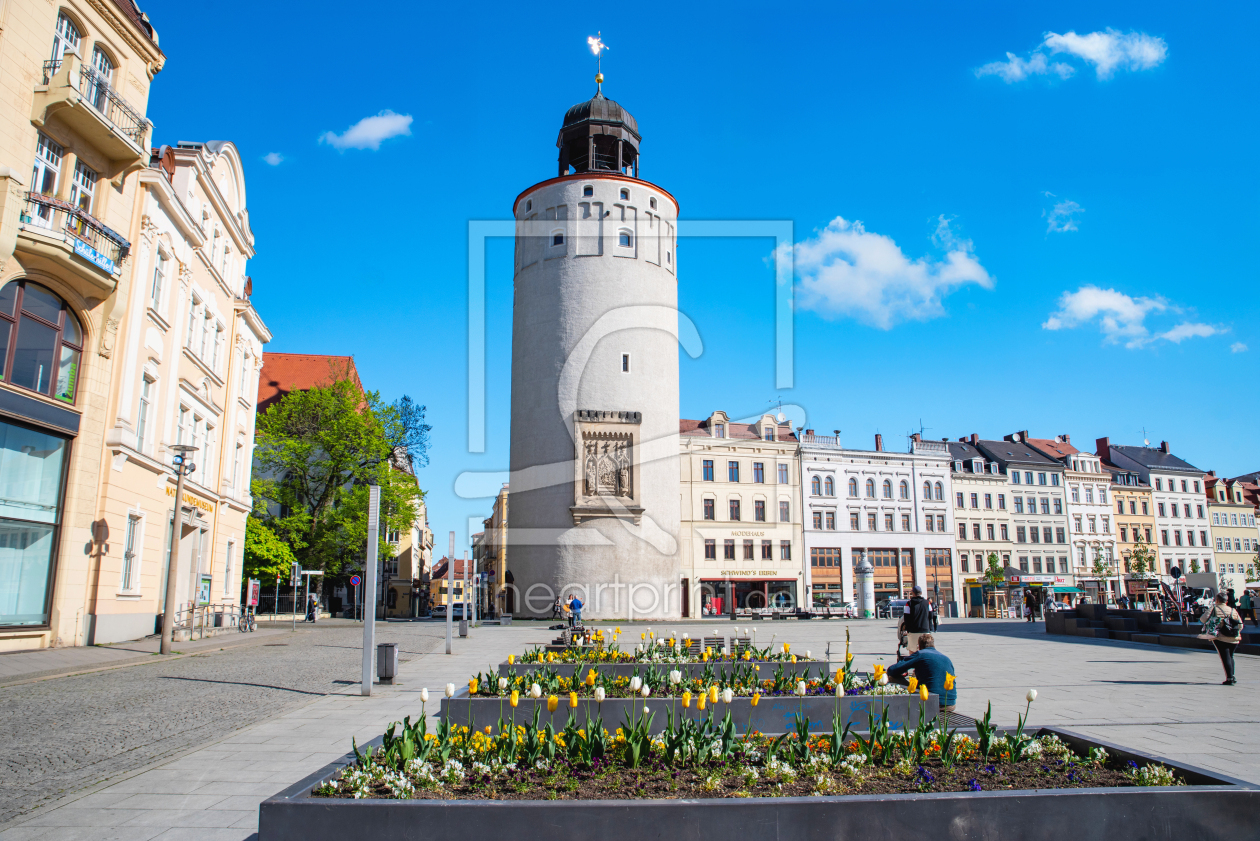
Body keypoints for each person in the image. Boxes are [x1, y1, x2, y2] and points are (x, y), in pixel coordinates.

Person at [887, 633, 957, 712]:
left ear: (919, 646)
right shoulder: (946, 658)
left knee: (892, 677)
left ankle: (902, 708)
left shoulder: (920, 654)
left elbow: (891, 670)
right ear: (933, 645)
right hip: (950, 704)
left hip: (929, 701)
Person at [1202, 592, 1242, 685]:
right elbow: (1240, 625)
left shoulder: (1214, 609)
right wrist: (1234, 632)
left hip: (1220, 637)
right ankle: (1232, 676)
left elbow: (1203, 619)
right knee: (1231, 656)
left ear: (1217, 600)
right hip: (1234, 637)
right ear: (1226, 600)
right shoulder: (1232, 610)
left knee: (1225, 657)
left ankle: (1229, 678)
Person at [899, 585, 931, 653]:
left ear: (913, 593)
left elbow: (906, 617)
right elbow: (931, 615)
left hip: (913, 630)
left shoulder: (909, 603)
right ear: (921, 593)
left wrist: (908, 629)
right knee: (926, 650)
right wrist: (930, 627)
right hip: (925, 629)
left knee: (912, 651)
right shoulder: (927, 603)